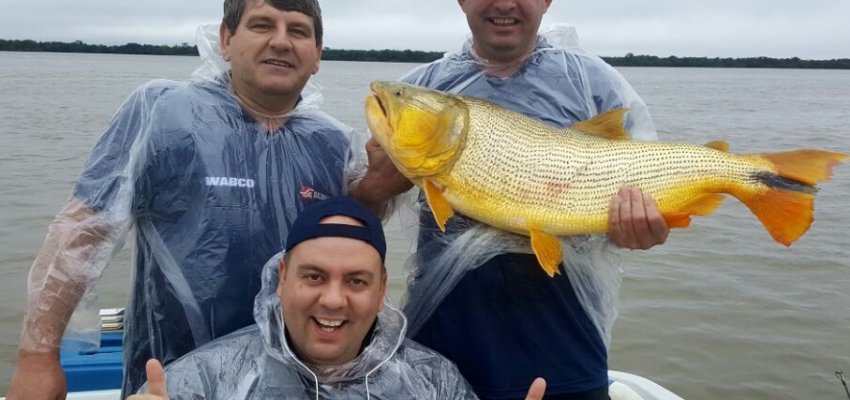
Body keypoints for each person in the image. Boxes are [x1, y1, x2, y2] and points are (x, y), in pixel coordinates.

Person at [5, 1, 407, 398]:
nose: (281, 42)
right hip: (167, 379)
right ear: (226, 39)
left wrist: (372, 192)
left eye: (298, 30)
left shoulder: (334, 143)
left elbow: (341, 250)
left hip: (291, 384)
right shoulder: (163, 112)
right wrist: (38, 358)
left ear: (317, 54)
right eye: (262, 25)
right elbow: (81, 236)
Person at [399, 1, 670, 399]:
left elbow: (642, 187)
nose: (505, 3)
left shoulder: (594, 83)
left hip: (565, 345)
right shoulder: (420, 91)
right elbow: (362, 217)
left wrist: (641, 228)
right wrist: (375, 183)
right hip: (439, 346)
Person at [124, 196, 546, 399]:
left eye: (356, 282)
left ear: (381, 291)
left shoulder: (434, 384)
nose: (332, 300)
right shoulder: (204, 381)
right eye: (314, 276)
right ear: (282, 279)